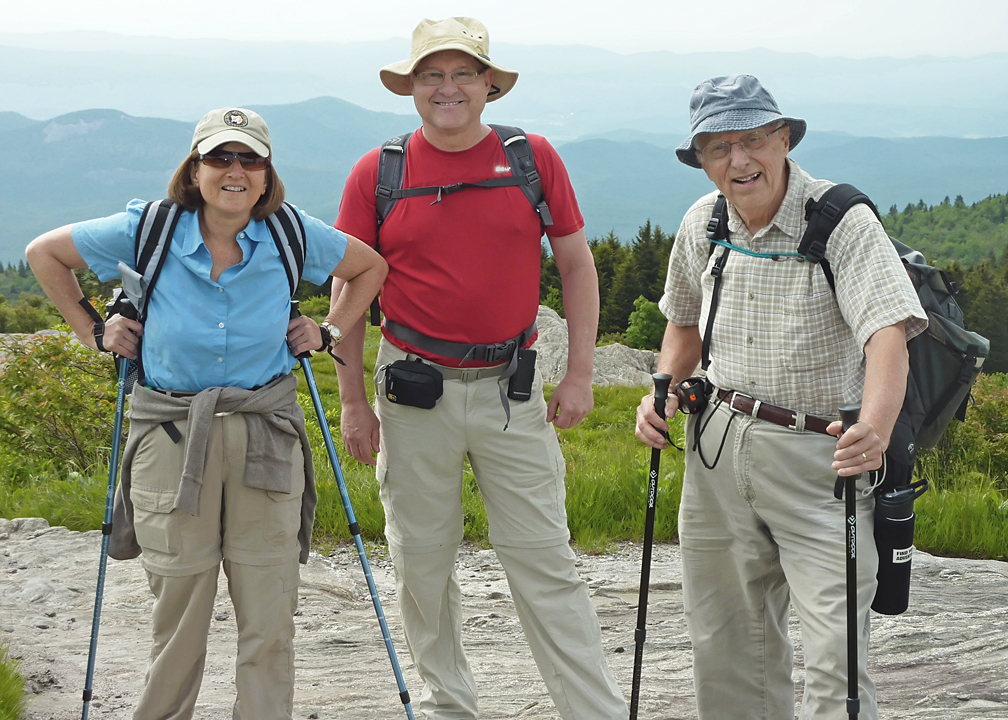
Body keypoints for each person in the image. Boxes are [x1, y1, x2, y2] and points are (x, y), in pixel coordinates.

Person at [26, 107, 387, 720]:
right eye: (220, 157)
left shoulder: (290, 232)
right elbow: (44, 254)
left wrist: (326, 330)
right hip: (171, 433)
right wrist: (93, 331)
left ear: (267, 174)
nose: (235, 171)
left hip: (263, 429)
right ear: (194, 170)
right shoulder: (150, 226)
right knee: (179, 616)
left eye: (250, 159)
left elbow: (369, 268)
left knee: (269, 615)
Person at [329, 17, 627, 720]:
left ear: (490, 84)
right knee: (422, 568)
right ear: (411, 88)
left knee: (544, 563)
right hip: (410, 393)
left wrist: (579, 372)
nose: (448, 88)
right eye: (432, 75)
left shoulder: (532, 158)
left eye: (463, 73)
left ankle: (595, 713)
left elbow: (577, 265)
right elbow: (347, 290)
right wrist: (352, 401)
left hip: (511, 390)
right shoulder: (379, 172)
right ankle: (447, 708)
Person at [634, 75, 928, 719]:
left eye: (754, 140)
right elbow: (683, 323)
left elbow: (886, 334)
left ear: (785, 138)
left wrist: (875, 428)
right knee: (726, 642)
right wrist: (660, 392)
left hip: (824, 457)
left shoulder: (840, 219)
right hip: (715, 447)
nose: (739, 161)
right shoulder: (704, 221)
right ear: (702, 161)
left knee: (835, 655)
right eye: (718, 148)